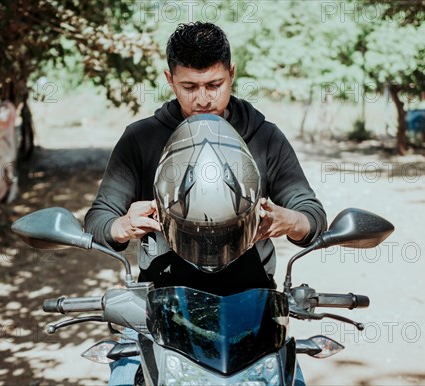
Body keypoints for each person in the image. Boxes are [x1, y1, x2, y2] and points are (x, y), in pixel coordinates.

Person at [84, 21, 326, 385]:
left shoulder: (265, 137)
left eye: (214, 85)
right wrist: (122, 226)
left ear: (231, 74)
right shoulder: (141, 138)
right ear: (169, 79)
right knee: (123, 379)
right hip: (161, 310)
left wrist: (289, 221)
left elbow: (312, 214)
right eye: (189, 87)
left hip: (253, 311)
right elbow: (98, 219)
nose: (203, 98)